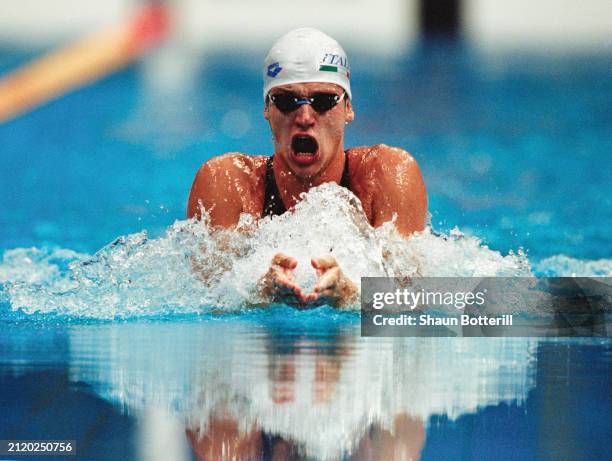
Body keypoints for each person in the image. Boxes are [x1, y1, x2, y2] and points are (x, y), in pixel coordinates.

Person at [187, 28, 427, 308]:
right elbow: (205, 303)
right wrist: (257, 294)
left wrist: (351, 295)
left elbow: (418, 301)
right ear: (267, 108)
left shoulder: (387, 175)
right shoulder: (227, 183)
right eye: (286, 101)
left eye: (323, 101)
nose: (304, 117)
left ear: (348, 107)